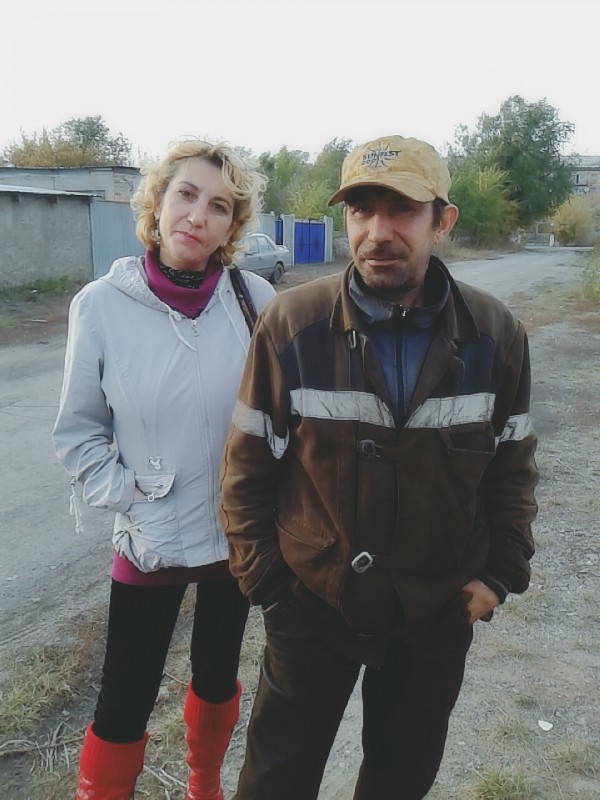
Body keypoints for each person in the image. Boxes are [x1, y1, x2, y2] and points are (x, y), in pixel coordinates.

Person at [219, 135, 538, 799]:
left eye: (402, 210)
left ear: (442, 221)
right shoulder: (291, 325)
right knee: (275, 781)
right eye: (361, 210)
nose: (378, 231)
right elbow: (246, 468)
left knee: (400, 777)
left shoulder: (494, 333)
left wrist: (498, 575)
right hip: (311, 605)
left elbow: (513, 467)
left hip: (436, 608)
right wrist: (271, 590)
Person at [52, 139, 275, 800]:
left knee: (217, 674)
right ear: (157, 201)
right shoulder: (100, 305)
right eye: (187, 194)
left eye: (219, 206)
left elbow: (280, 412)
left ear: (232, 226)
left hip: (235, 533)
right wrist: (130, 496)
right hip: (150, 538)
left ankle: (203, 783)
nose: (198, 216)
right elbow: (79, 430)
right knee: (124, 696)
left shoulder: (256, 299)